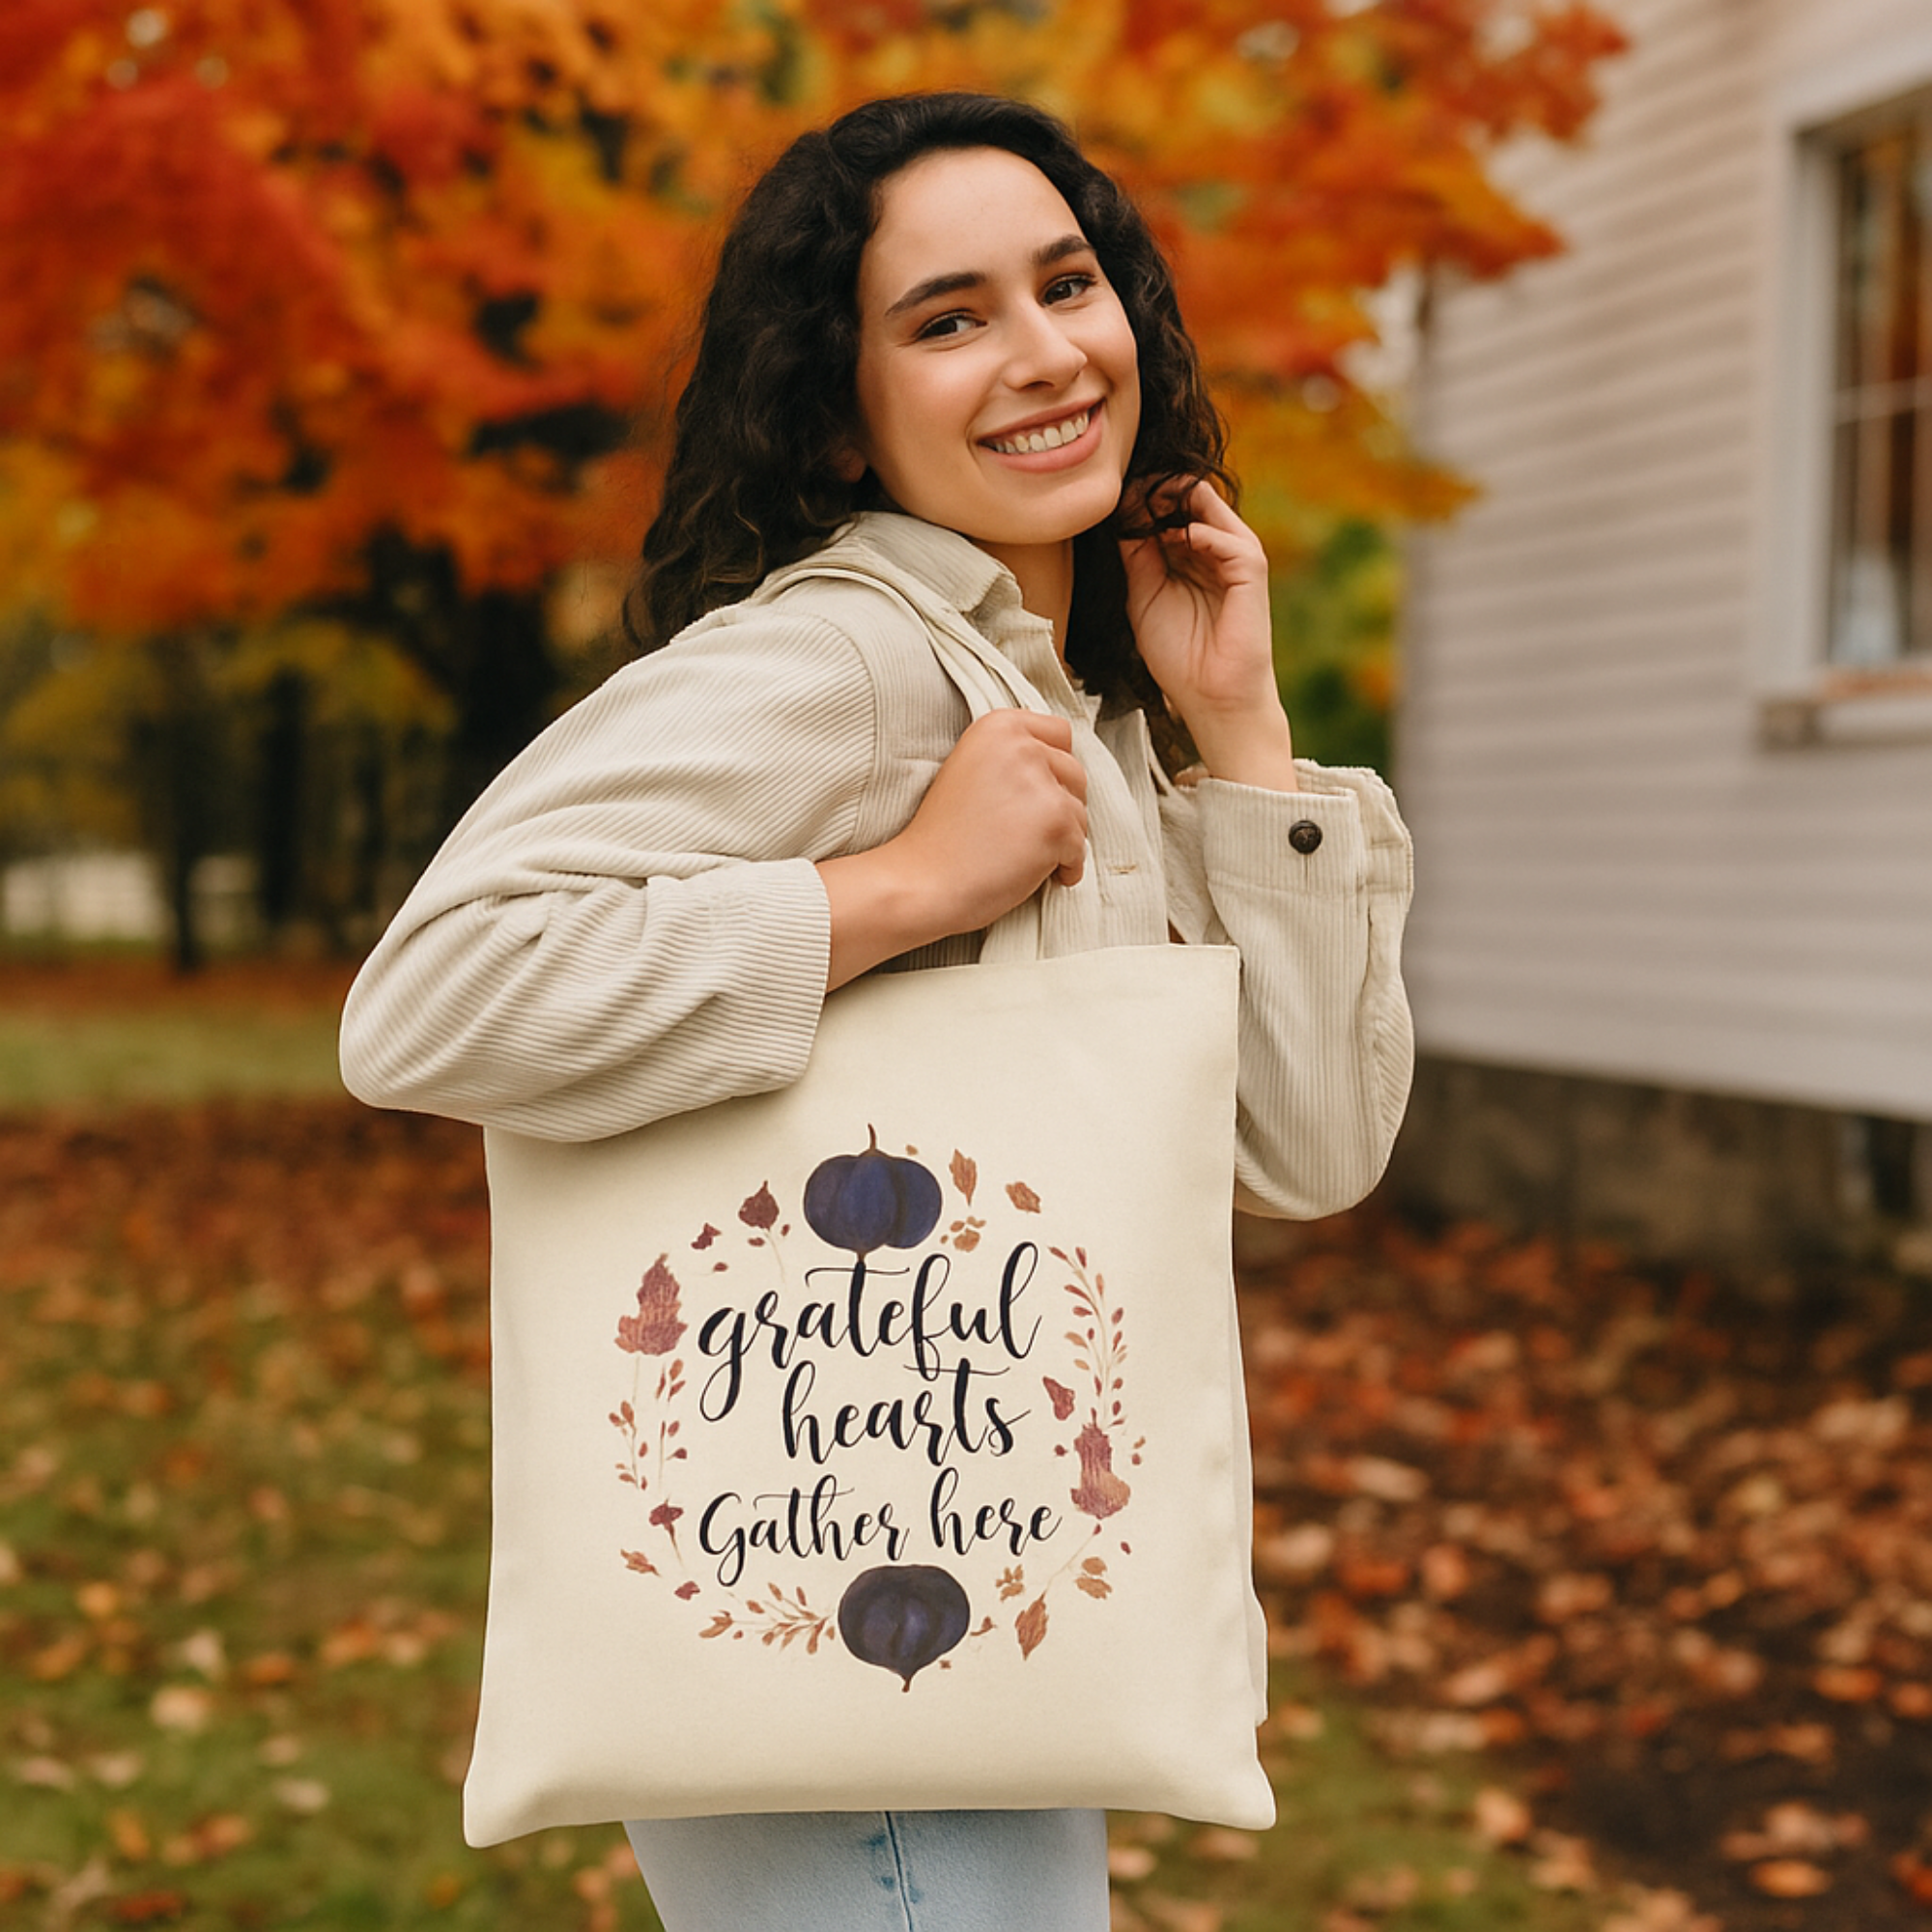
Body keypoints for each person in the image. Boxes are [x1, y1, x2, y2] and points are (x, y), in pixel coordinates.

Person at [341, 88, 1413, 1932]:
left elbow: (1304, 1158)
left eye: (1068, 285)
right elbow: (428, 999)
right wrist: (899, 890)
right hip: (831, 1575)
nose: (1042, 352)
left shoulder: (1074, 712)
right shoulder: (838, 660)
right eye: (947, 319)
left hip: (989, 1561)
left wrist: (1238, 732)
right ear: (840, 414)